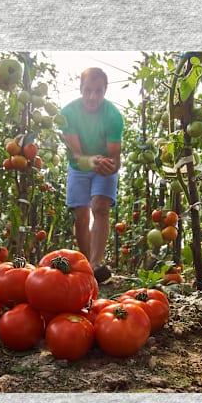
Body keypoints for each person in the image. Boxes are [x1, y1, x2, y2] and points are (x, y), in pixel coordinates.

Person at [60, 67, 123, 284]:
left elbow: (116, 157)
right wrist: (90, 161)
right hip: (79, 165)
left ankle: (96, 264)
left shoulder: (114, 116)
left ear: (105, 91)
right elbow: (76, 156)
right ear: (81, 89)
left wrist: (110, 166)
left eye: (98, 91)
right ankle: (86, 265)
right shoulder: (67, 114)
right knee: (81, 214)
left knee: (100, 207)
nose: (92, 97)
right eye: (88, 91)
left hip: (103, 165)